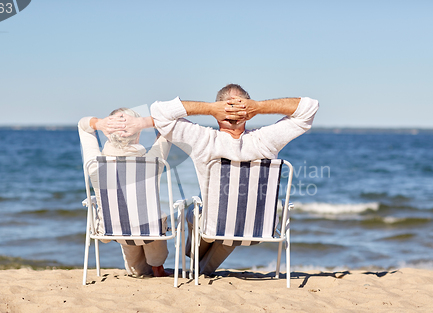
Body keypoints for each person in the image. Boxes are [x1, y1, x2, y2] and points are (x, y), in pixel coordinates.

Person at [115, 84, 319, 275]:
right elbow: (309, 108)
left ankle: (193, 259)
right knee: (235, 217)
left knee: (195, 211)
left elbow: (160, 112)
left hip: (213, 226)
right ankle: (202, 267)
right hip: (258, 227)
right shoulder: (265, 140)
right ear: (247, 114)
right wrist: (259, 107)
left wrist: (210, 109)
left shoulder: (203, 139)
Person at [78, 107, 171, 277]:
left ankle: (136, 268)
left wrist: (99, 123)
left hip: (111, 228)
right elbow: (169, 125)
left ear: (107, 133)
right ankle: (157, 266)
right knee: (151, 216)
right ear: (138, 134)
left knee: (122, 215)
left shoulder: (94, 164)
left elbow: (83, 126)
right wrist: (143, 123)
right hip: (149, 230)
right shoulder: (153, 161)